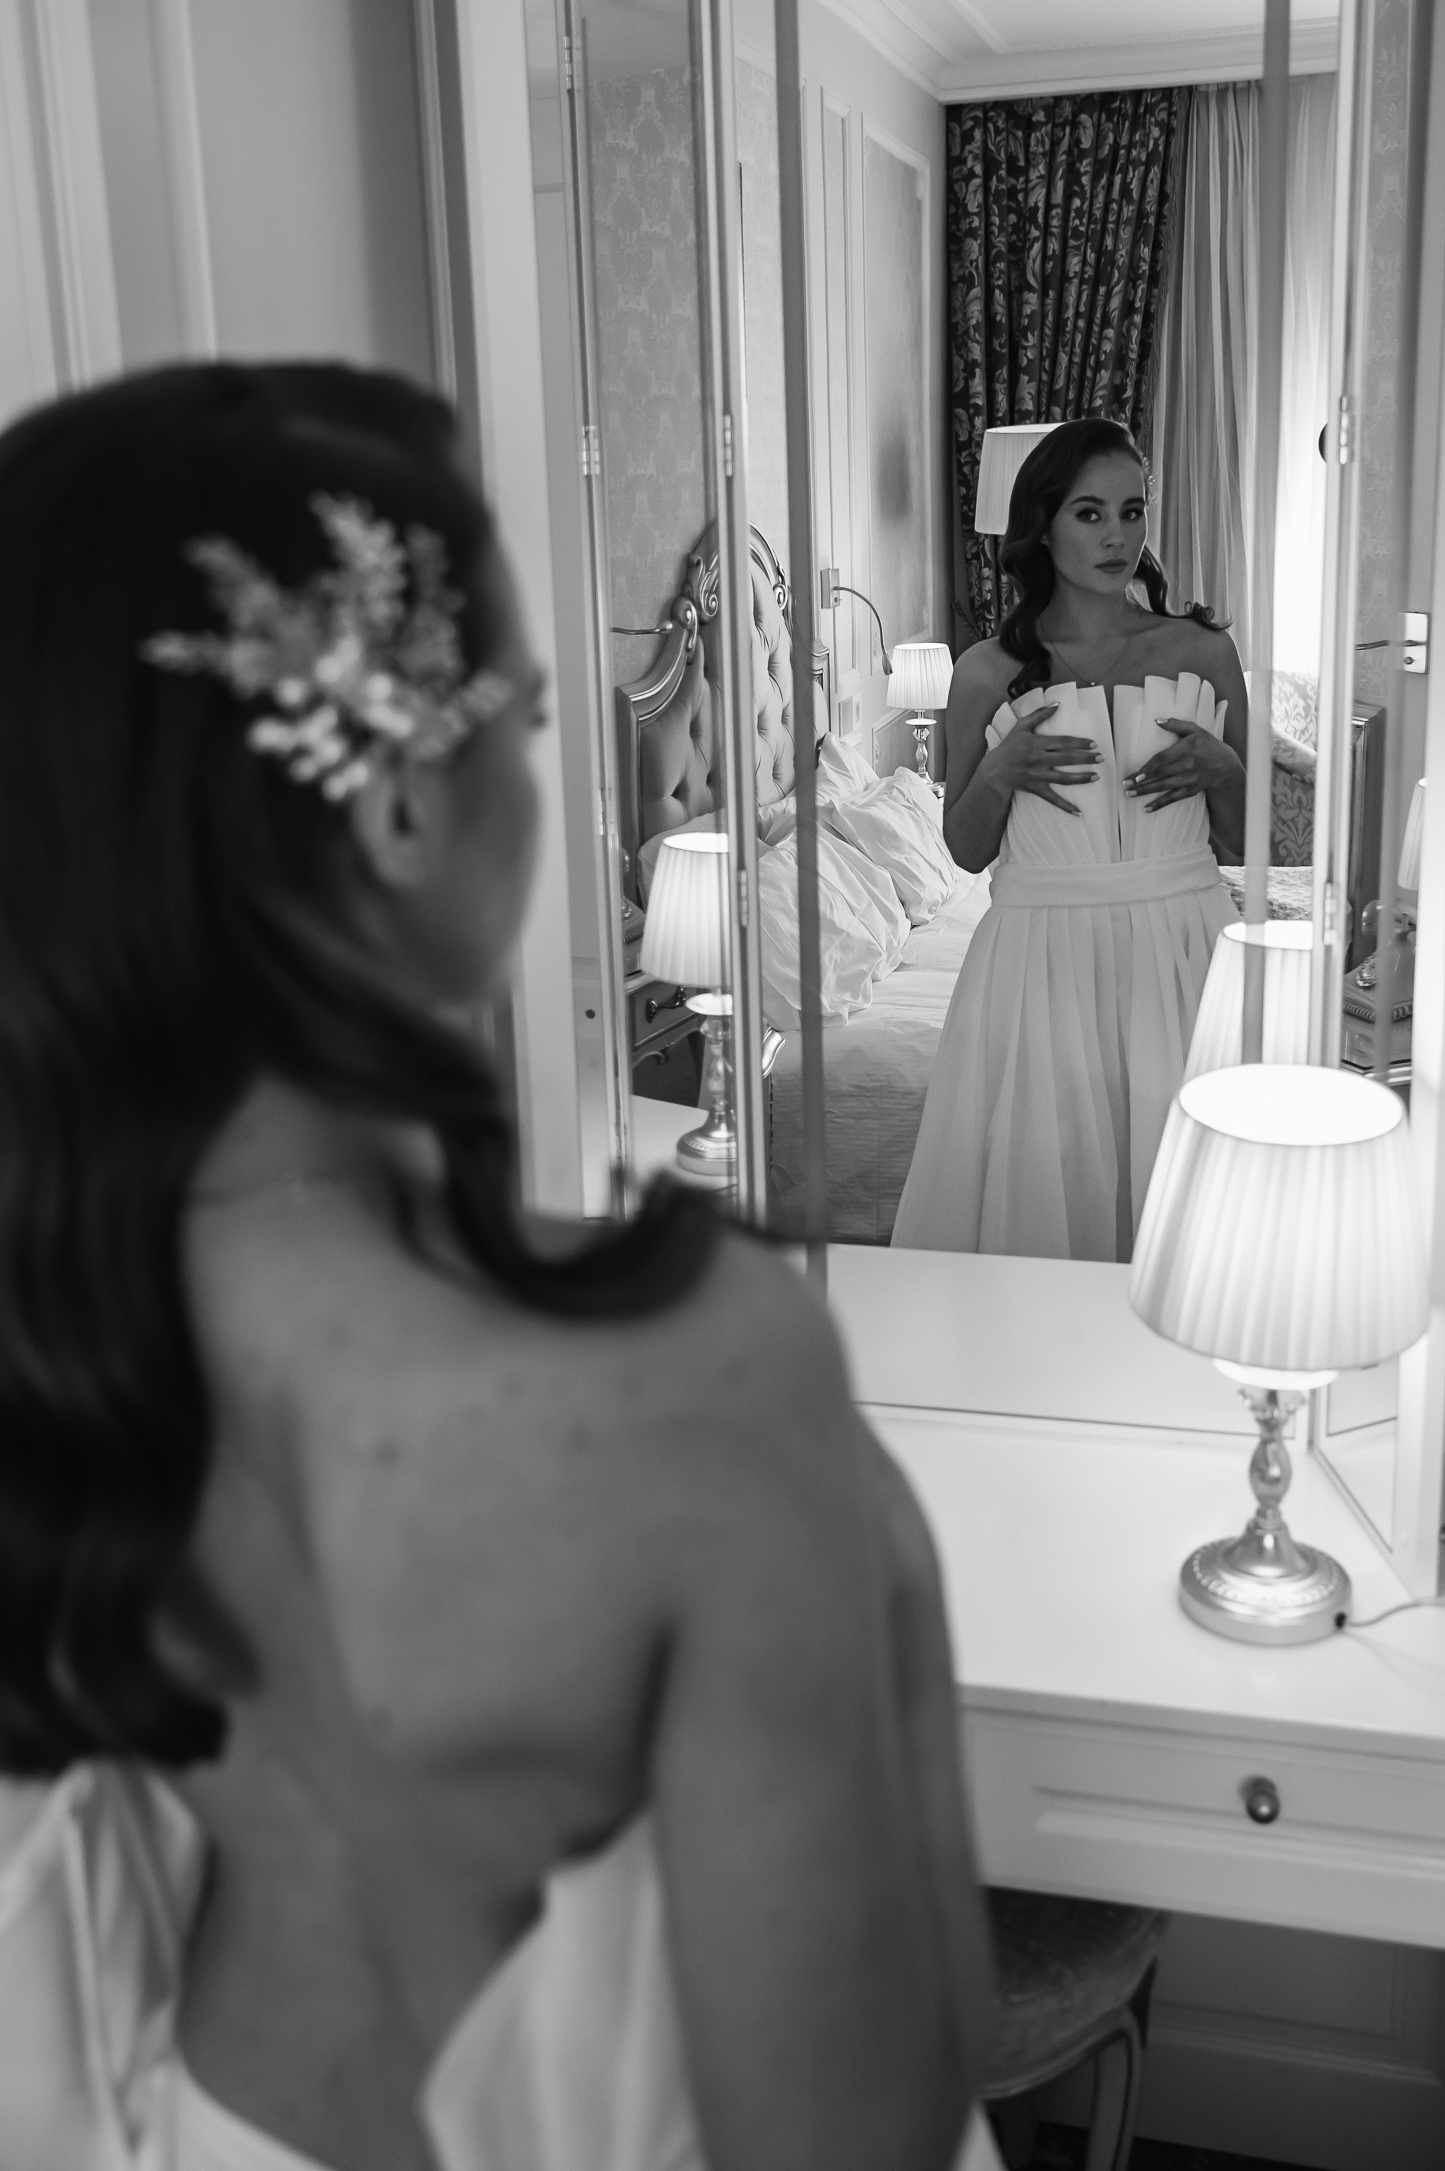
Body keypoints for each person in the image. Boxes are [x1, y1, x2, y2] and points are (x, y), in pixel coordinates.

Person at [0, 363, 997, 2171]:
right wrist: (894, 1592)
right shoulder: (696, 1376)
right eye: (527, 723)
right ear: (395, 810)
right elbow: (868, 2128)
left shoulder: (57, 1333)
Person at [893, 418, 1245, 1262]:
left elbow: (1237, 844)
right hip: (1040, 962)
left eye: (1132, 511)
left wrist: (1228, 768)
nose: (1117, 536)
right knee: (1050, 1196)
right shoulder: (985, 672)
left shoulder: (1203, 651)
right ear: (1043, 527)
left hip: (1185, 949)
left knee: (1196, 1220)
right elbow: (965, 851)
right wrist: (1000, 769)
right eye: (1090, 514)